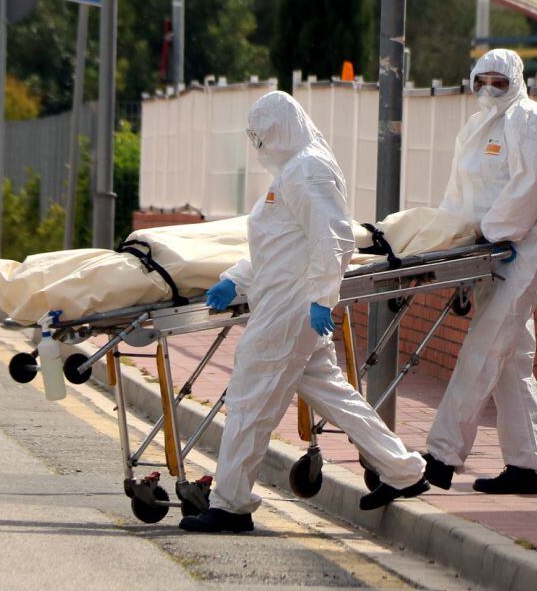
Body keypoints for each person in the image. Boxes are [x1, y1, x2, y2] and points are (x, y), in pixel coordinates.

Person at [180, 91, 428, 534]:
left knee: (249, 401)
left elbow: (332, 239)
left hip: (290, 311)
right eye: (254, 136)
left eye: (264, 134)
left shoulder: (308, 171)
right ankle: (404, 470)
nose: (259, 144)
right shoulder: (292, 172)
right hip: (285, 303)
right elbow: (279, 246)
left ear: (285, 129)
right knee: (334, 396)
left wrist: (321, 298)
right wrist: (236, 279)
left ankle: (231, 504)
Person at [422, 48, 537, 495]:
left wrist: (491, 232)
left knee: (482, 351)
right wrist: (449, 246)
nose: (488, 90)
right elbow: (458, 194)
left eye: (498, 82)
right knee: (510, 361)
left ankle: (441, 457)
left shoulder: (531, 120)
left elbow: (533, 185)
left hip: (518, 248)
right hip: (484, 252)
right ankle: (527, 466)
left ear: (516, 80)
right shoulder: (476, 128)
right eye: (480, 81)